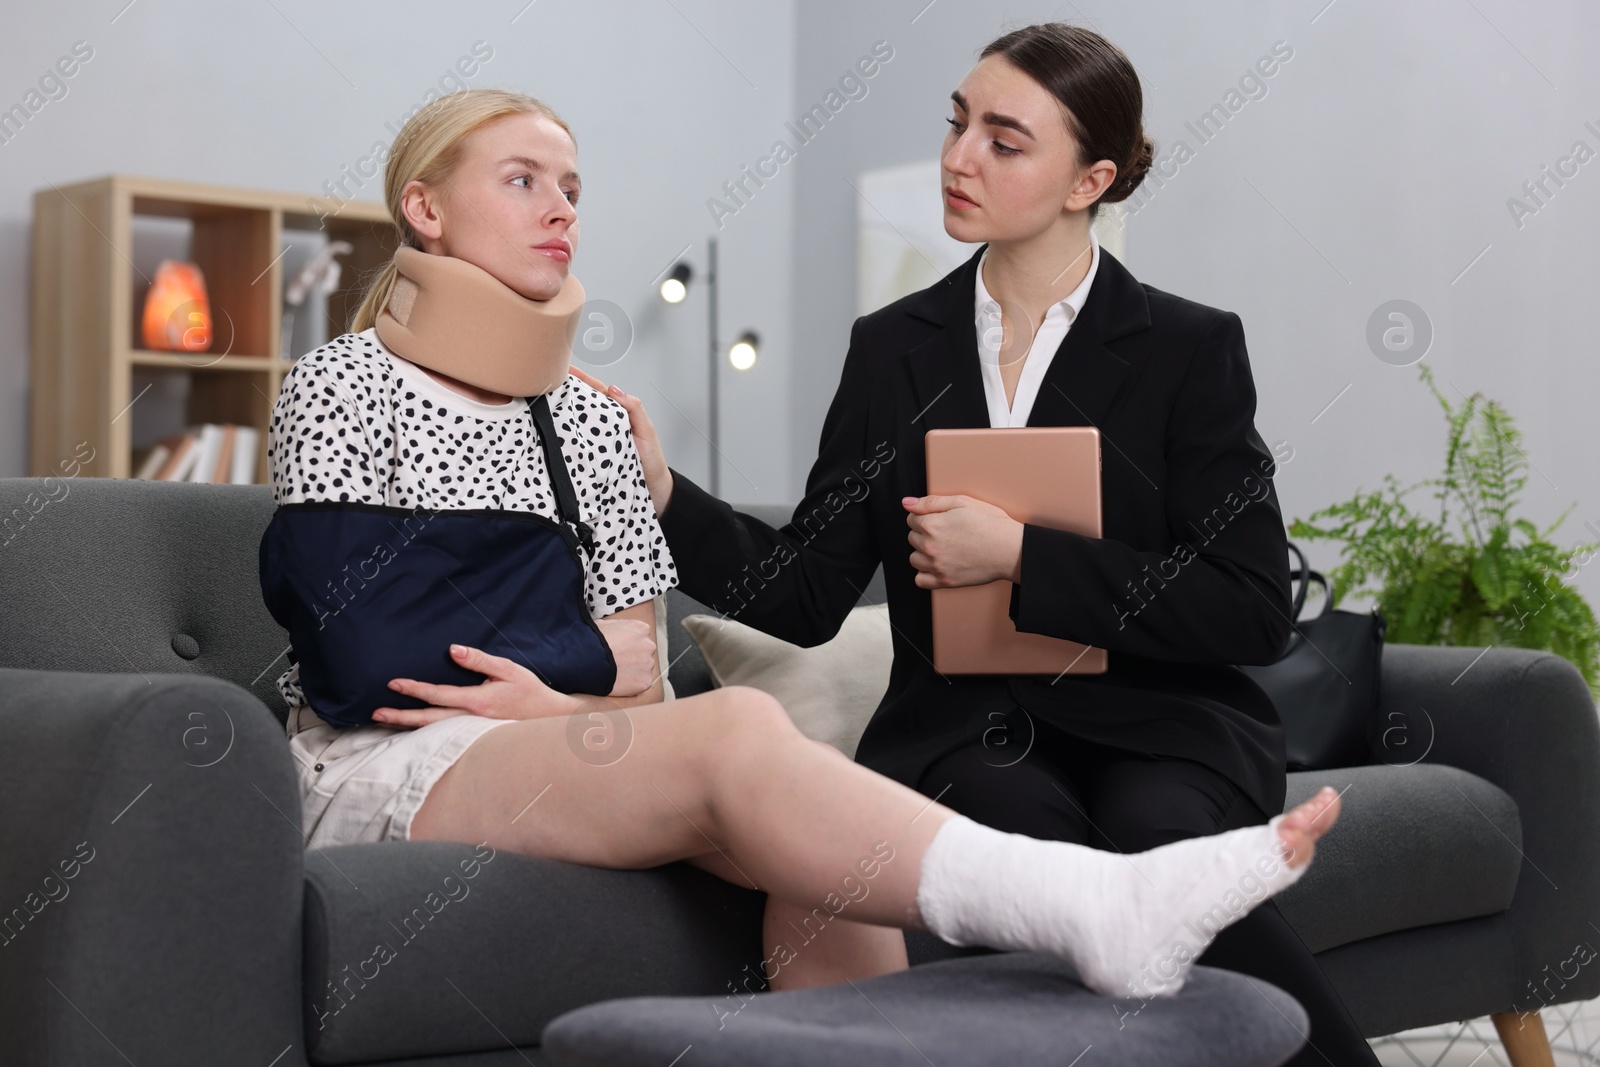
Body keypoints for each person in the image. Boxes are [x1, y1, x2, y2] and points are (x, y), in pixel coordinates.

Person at [264, 84, 1345, 1008]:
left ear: (1088, 181)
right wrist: (582, 663)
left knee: (828, 863)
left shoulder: (589, 421)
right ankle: (1090, 902)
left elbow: (640, 678)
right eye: (522, 180)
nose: (562, 210)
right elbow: (370, 664)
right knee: (744, 724)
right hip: (385, 761)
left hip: (555, 746)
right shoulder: (343, 385)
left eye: (574, 188)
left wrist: (559, 690)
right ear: (424, 208)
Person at [571, 22, 1380, 1067]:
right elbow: (805, 591)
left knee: (1155, 836)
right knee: (1016, 840)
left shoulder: (1188, 347)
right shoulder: (890, 348)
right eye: (957, 124)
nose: (958, 158)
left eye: (1004, 139)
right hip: (966, 728)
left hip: (1163, 720)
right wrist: (664, 492)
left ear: (1088, 178)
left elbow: (1250, 601)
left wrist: (1020, 553)